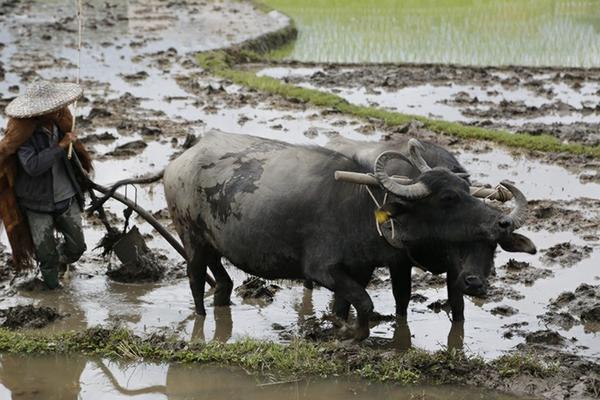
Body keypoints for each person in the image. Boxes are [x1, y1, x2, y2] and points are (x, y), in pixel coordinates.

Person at [0, 80, 93, 288]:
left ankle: (59, 261)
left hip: (66, 197)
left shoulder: (62, 125)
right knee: (45, 254)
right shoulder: (23, 136)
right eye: (53, 108)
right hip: (36, 203)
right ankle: (53, 293)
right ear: (39, 114)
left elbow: (76, 159)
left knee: (77, 247)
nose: (60, 110)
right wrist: (60, 147)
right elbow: (32, 166)